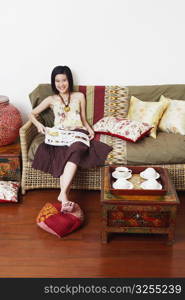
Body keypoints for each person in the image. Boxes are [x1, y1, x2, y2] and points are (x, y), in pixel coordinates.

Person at [30, 66, 112, 213]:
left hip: (78, 132)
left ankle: (63, 194)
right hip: (59, 134)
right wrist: (38, 124)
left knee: (78, 148)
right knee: (63, 153)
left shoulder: (79, 96)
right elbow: (32, 114)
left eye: (64, 80)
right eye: (57, 81)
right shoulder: (51, 99)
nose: (61, 84)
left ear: (69, 80)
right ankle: (65, 198)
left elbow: (82, 118)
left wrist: (89, 129)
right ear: (53, 82)